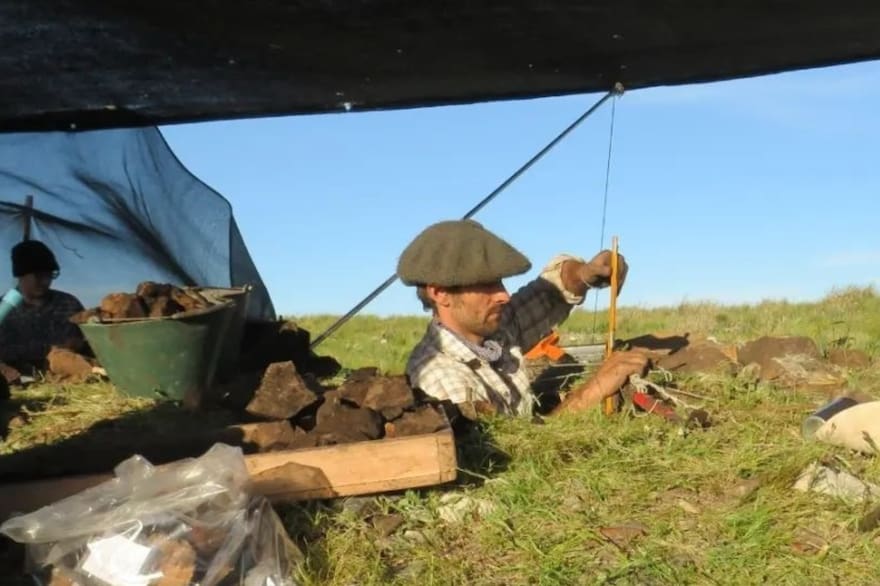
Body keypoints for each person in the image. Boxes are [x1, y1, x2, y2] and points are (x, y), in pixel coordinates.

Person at [397, 219, 648, 417]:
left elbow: (549, 293)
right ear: (440, 293)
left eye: (499, 282)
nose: (503, 295)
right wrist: (594, 390)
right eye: (486, 285)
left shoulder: (492, 328)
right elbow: (515, 460)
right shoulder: (440, 378)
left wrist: (585, 273)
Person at [0, 240, 85, 372]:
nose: (45, 281)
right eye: (38, 276)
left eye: (50, 275)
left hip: (66, 376)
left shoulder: (68, 304)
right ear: (21, 275)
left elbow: (82, 343)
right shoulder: (3, 309)